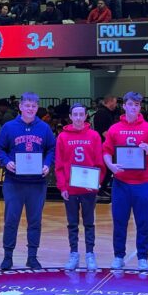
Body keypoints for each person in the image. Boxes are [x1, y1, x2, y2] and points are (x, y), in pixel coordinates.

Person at [0, 92, 56, 270]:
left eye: (33, 106)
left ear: (37, 108)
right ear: (20, 107)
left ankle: (32, 257)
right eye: (27, 105)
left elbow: (52, 148)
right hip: (14, 182)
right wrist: (6, 162)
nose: (30, 109)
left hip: (37, 183)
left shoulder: (44, 128)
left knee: (35, 221)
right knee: (11, 220)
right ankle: (8, 256)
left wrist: (46, 164)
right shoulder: (9, 127)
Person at [103, 92, 148, 271]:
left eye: (137, 105)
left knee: (143, 222)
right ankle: (118, 256)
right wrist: (111, 166)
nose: (134, 107)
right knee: (119, 221)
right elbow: (105, 150)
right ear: (124, 105)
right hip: (121, 183)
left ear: (140, 107)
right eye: (130, 104)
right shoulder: (114, 128)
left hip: (143, 183)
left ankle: (143, 257)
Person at [54, 102, 104, 271]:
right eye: (75, 114)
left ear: (85, 116)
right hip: (71, 189)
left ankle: (90, 253)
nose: (78, 118)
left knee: (89, 223)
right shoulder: (62, 137)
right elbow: (59, 165)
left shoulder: (94, 136)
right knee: (72, 224)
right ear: (70, 116)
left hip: (89, 189)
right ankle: (74, 253)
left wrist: (97, 182)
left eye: (81, 114)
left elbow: (99, 163)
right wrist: (63, 187)